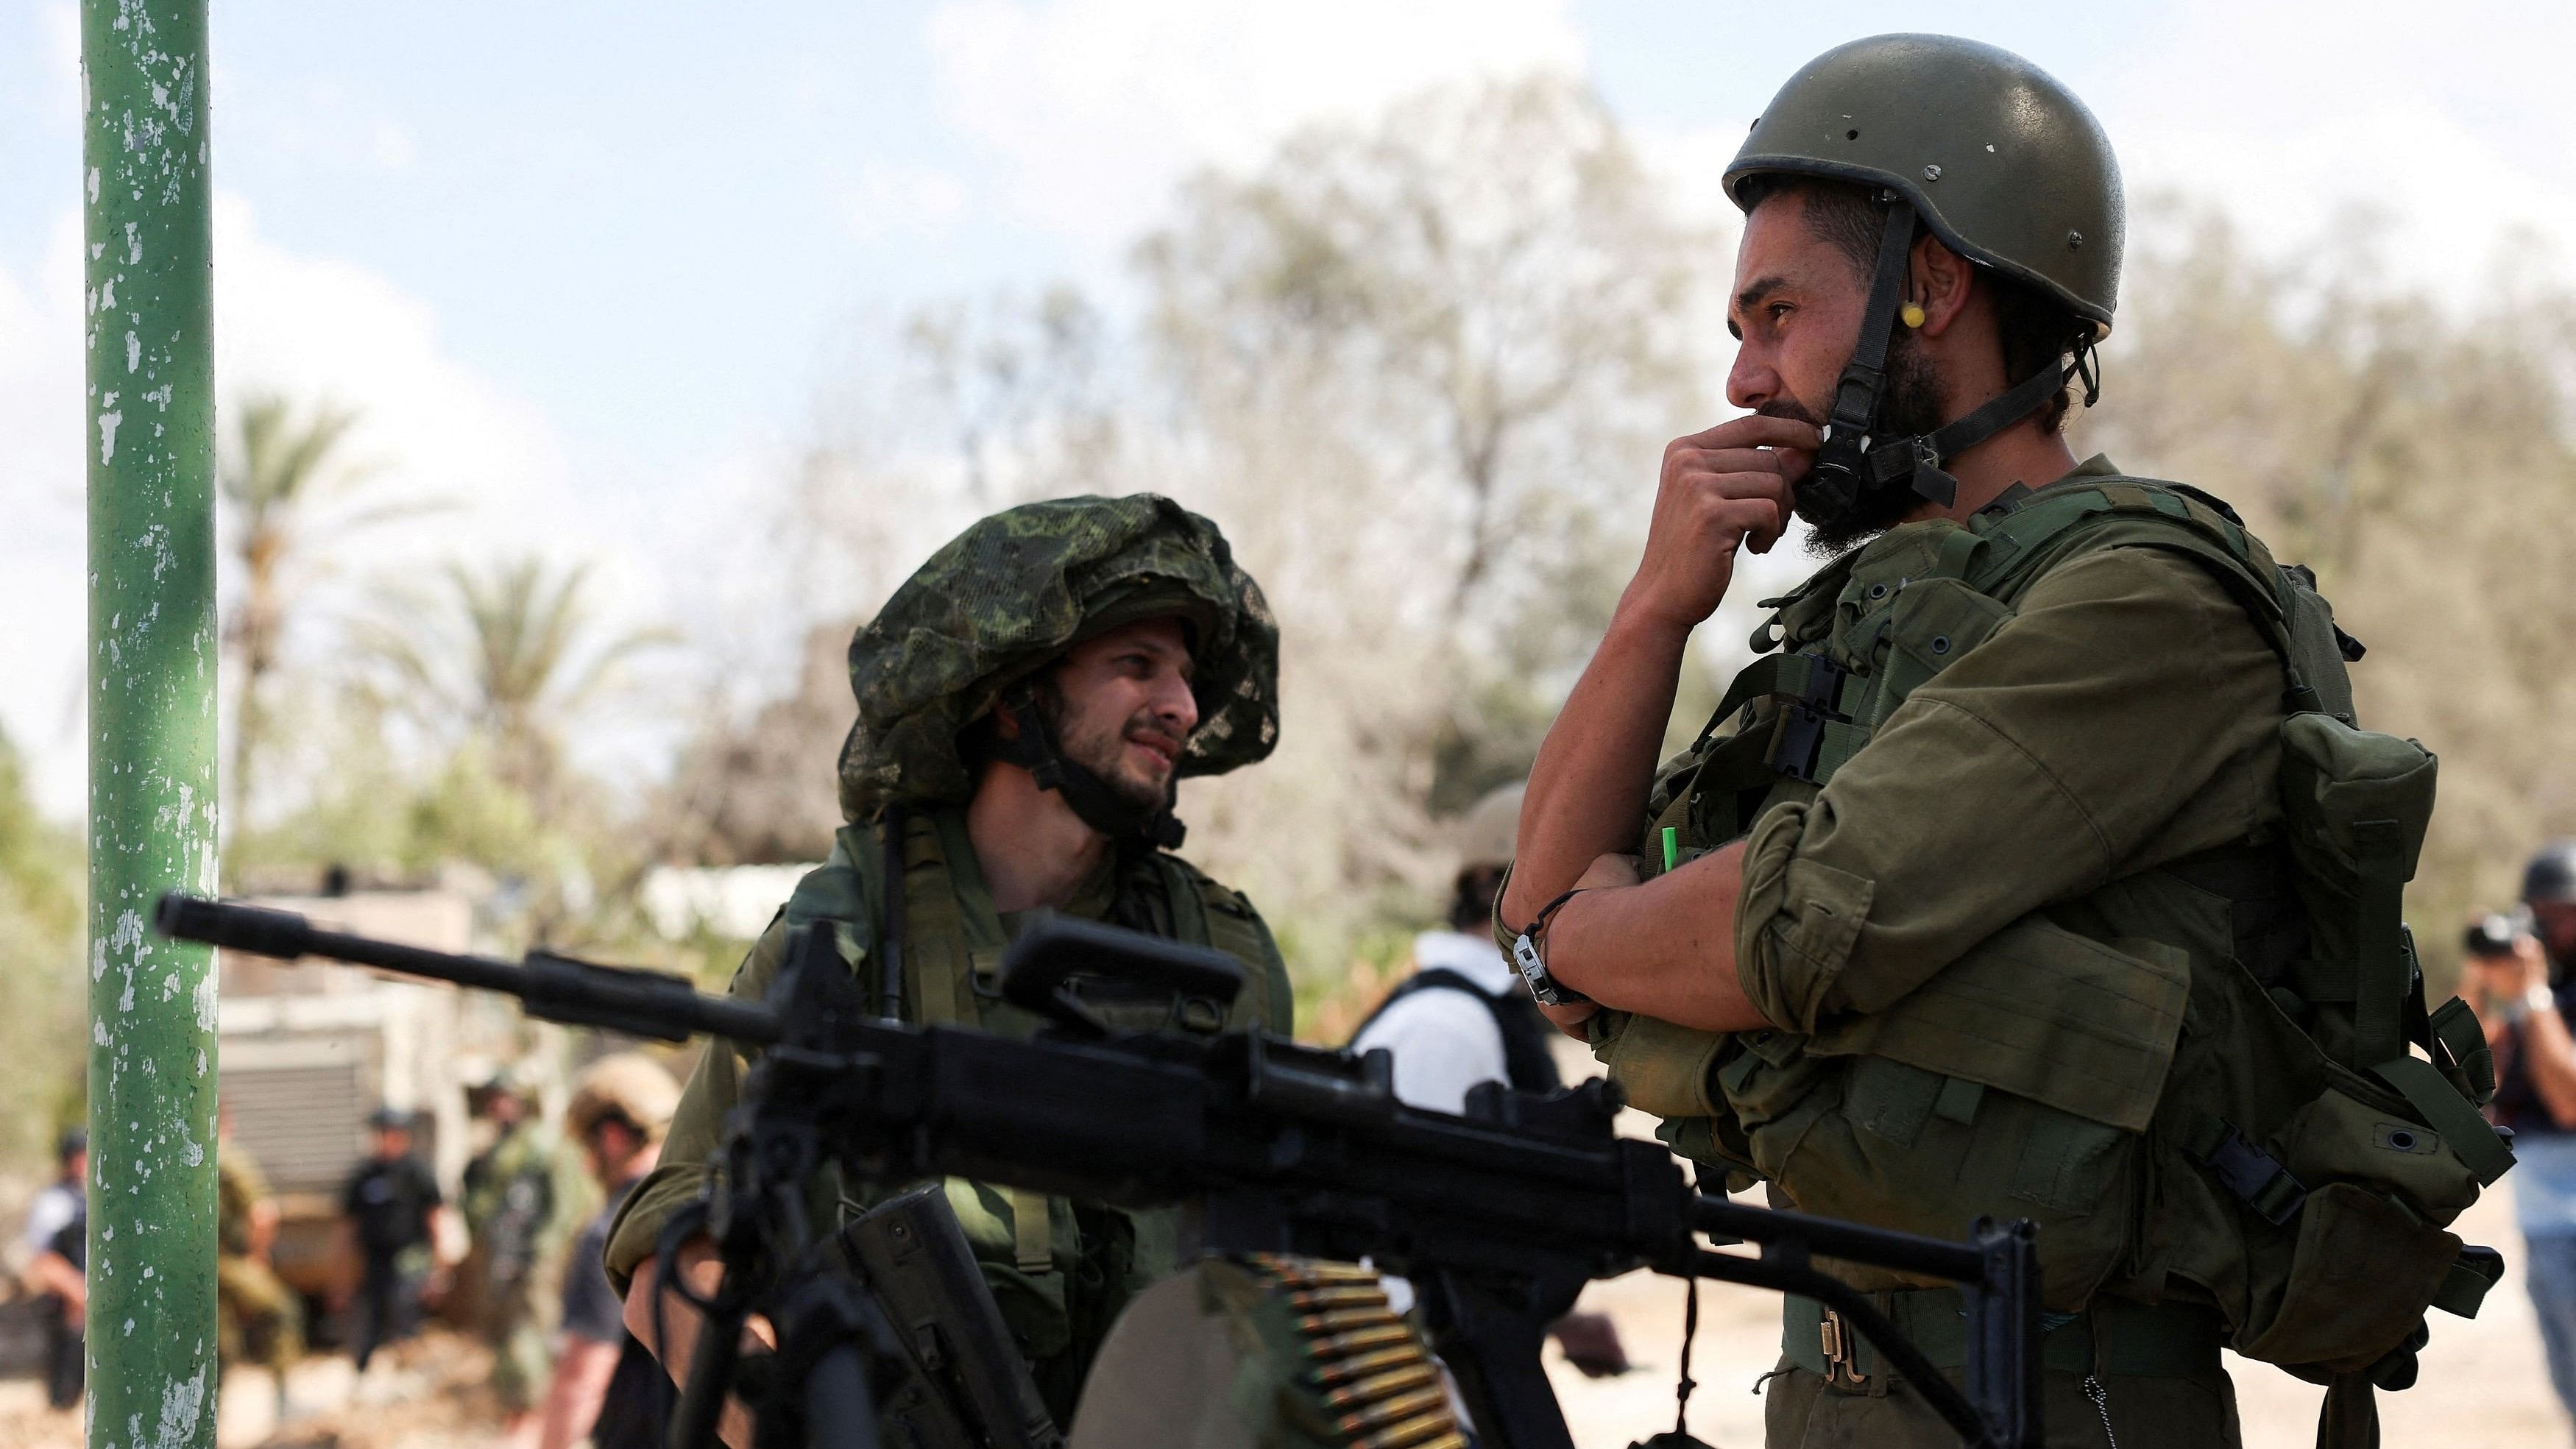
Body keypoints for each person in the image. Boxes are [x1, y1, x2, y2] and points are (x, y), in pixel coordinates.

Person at [1498, 34, 2496, 1449]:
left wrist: (1582, 935)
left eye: (1777, 313)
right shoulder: (1864, 623)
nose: (1740, 375)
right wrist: (1655, 611)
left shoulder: (2149, 597)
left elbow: (1795, 922)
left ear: (1934, 284)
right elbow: (1570, 941)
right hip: (1833, 1385)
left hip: (2064, 1396)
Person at [606, 495, 1298, 1441]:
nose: (1179, 704)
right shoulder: (849, 935)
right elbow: (670, 1265)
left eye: (1183, 675)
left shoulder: (1219, 957)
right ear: (1011, 696)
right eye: (1134, 665)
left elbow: (1278, 1283)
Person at [1348, 782, 1628, 1378]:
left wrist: (1559, 1321)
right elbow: (1410, 1261)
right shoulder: (1443, 1029)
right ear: (1530, 887)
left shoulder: (1483, 1018)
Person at [2469, 843, 2576, 1431]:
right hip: (2543, 1224)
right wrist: (2481, 979)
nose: (2545, 928)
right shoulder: (2542, 1003)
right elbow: (2462, 1087)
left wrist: (2531, 995)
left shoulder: (2546, 1003)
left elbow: (2569, 1100)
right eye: (2536, 912)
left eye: (2558, 913)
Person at [537, 1055, 682, 1449]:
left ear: (614, 1137)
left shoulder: (612, 1233)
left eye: (588, 1146)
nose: (587, 1165)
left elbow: (582, 1375)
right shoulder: (710, 1211)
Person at [461, 1066, 592, 1448]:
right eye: (494, 1098)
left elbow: (565, 1207)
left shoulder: (544, 1145)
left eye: (507, 1097)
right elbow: (481, 1206)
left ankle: (535, 1418)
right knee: (504, 1338)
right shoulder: (497, 1149)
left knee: (531, 1336)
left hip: (533, 1260)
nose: (499, 1106)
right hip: (500, 1257)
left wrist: (543, 1253)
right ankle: (517, 1412)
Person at [339, 1107, 447, 1372]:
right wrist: (339, 1276)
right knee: (371, 1316)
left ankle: (409, 1367)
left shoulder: (417, 1172)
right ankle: (363, 1370)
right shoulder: (364, 1175)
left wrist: (440, 1267)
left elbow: (435, 1219)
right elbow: (346, 1229)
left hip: (410, 1255)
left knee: (405, 1310)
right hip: (375, 1259)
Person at [216, 1103, 303, 1395]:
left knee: (216, 1340)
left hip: (190, 1267)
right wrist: (257, 1254)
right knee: (280, 1311)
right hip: (226, 1261)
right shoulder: (228, 1159)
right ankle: (284, 1394)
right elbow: (264, 1213)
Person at [21, 1127, 88, 1411]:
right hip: (67, 1304)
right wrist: (77, 1291)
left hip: (85, 1303)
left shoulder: (85, 1196)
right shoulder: (54, 1201)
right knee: (65, 1387)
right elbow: (43, 1259)